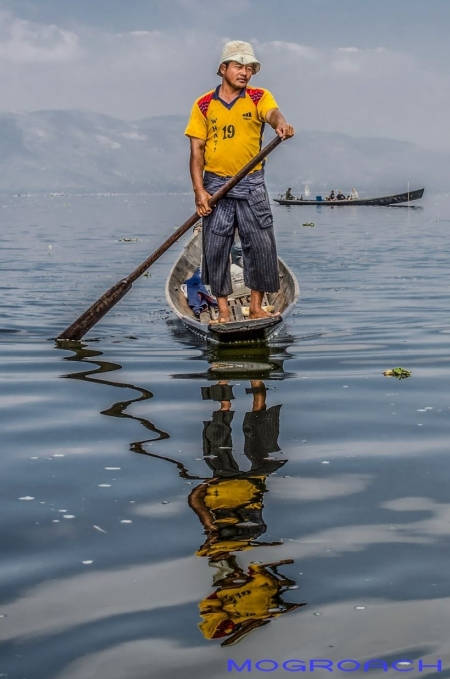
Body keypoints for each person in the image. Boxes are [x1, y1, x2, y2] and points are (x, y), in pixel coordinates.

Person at [185, 40, 294, 323]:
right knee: (216, 247)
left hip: (251, 183)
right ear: (223, 69)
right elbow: (196, 152)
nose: (244, 72)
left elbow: (273, 114)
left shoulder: (258, 97)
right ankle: (222, 311)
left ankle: (256, 307)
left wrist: (279, 123)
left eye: (249, 68)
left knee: (259, 245)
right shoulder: (204, 104)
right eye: (238, 66)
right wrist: (199, 192)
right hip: (216, 186)